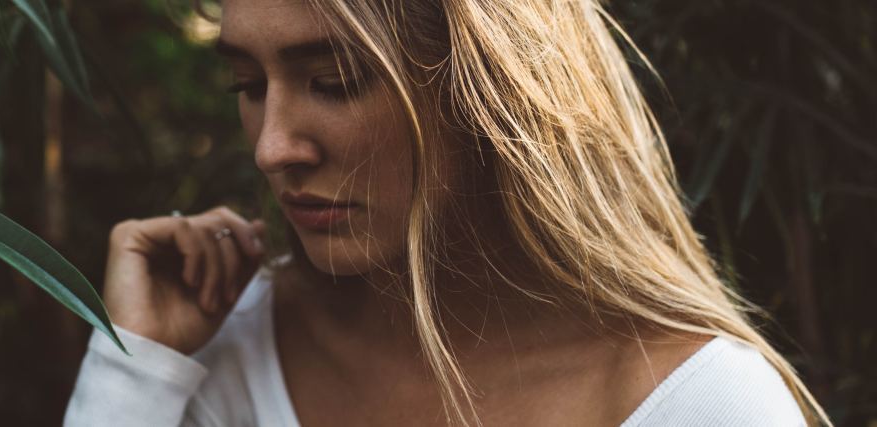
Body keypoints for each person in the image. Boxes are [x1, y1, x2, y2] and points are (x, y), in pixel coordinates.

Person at [64, 0, 828, 425]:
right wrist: (129, 374)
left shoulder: (699, 404)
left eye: (333, 81)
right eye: (248, 85)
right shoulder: (225, 352)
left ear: (486, 90)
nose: (271, 148)